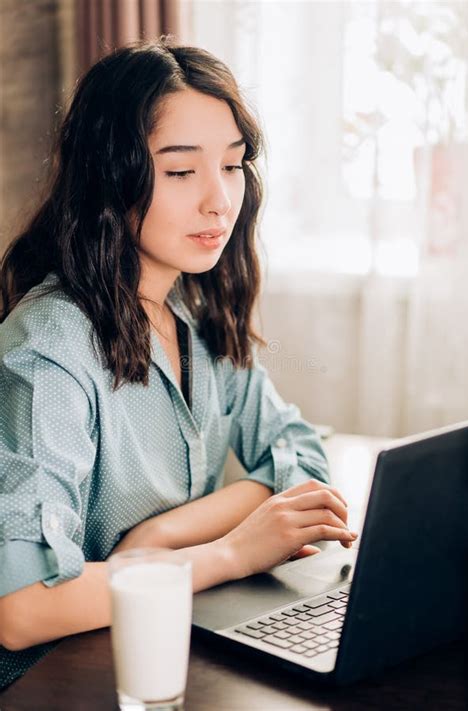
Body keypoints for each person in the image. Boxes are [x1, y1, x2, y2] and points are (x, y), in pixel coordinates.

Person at [0, 37, 358, 689]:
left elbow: (300, 458)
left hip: (156, 650)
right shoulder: (48, 345)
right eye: (182, 170)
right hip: (54, 683)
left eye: (232, 165)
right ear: (112, 178)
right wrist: (229, 549)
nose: (220, 201)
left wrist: (160, 539)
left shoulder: (195, 309)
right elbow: (21, 608)